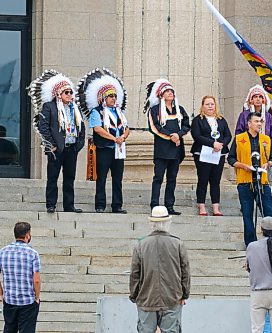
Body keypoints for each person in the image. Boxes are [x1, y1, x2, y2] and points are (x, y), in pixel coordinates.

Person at [29, 70, 86, 213]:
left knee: (69, 178)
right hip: (56, 149)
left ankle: (69, 205)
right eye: (66, 92)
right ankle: (51, 204)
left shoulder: (75, 108)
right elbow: (44, 127)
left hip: (71, 147)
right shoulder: (50, 106)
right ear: (58, 94)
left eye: (71, 92)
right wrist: (51, 145)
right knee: (53, 178)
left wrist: (79, 145)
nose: (69, 95)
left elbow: (81, 127)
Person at [129, 206, 191, 333]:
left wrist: (134, 294)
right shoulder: (178, 244)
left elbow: (135, 274)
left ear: (151, 223)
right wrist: (184, 293)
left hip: (147, 298)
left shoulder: (141, 245)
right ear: (168, 222)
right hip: (172, 298)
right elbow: (185, 272)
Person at [79, 68, 130, 214]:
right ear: (103, 98)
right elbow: (97, 129)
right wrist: (115, 138)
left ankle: (117, 205)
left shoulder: (120, 112)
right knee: (101, 178)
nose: (113, 98)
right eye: (110, 96)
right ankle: (100, 205)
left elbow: (127, 127)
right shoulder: (97, 111)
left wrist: (123, 137)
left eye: (115, 96)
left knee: (117, 179)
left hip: (118, 150)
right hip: (104, 148)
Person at [227, 112, 272, 246]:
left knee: (269, 211)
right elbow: (230, 159)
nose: (259, 124)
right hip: (245, 181)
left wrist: (268, 163)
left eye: (260, 121)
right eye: (256, 121)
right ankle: (250, 243)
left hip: (262, 180)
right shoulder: (239, 139)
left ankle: (271, 240)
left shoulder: (266, 139)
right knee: (247, 214)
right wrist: (243, 166)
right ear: (249, 124)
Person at [145, 79, 191, 216]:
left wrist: (179, 134)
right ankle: (154, 205)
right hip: (162, 149)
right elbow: (154, 127)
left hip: (176, 149)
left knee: (172, 178)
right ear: (161, 95)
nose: (170, 93)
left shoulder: (180, 109)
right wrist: (172, 136)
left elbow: (187, 125)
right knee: (158, 178)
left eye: (172, 91)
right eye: (167, 91)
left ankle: (169, 205)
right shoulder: (154, 110)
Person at [190, 96, 232, 216]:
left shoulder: (221, 120)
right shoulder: (198, 120)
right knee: (203, 179)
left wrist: (221, 144)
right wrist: (212, 143)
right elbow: (196, 136)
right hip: (203, 153)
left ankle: (215, 208)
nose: (210, 106)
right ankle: (202, 206)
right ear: (202, 106)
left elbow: (227, 135)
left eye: (212, 104)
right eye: (207, 104)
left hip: (218, 154)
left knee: (215, 181)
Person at [246, 217, 272, 333]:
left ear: (261, 229)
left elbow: (249, 267)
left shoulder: (252, 246)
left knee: (256, 329)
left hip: (258, 293)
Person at [0, 222, 41, 333]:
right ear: (27, 235)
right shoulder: (33, 253)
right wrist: (37, 297)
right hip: (27, 301)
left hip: (9, 300)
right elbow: (36, 280)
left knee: (9, 329)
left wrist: (1, 293)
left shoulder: (3, 252)